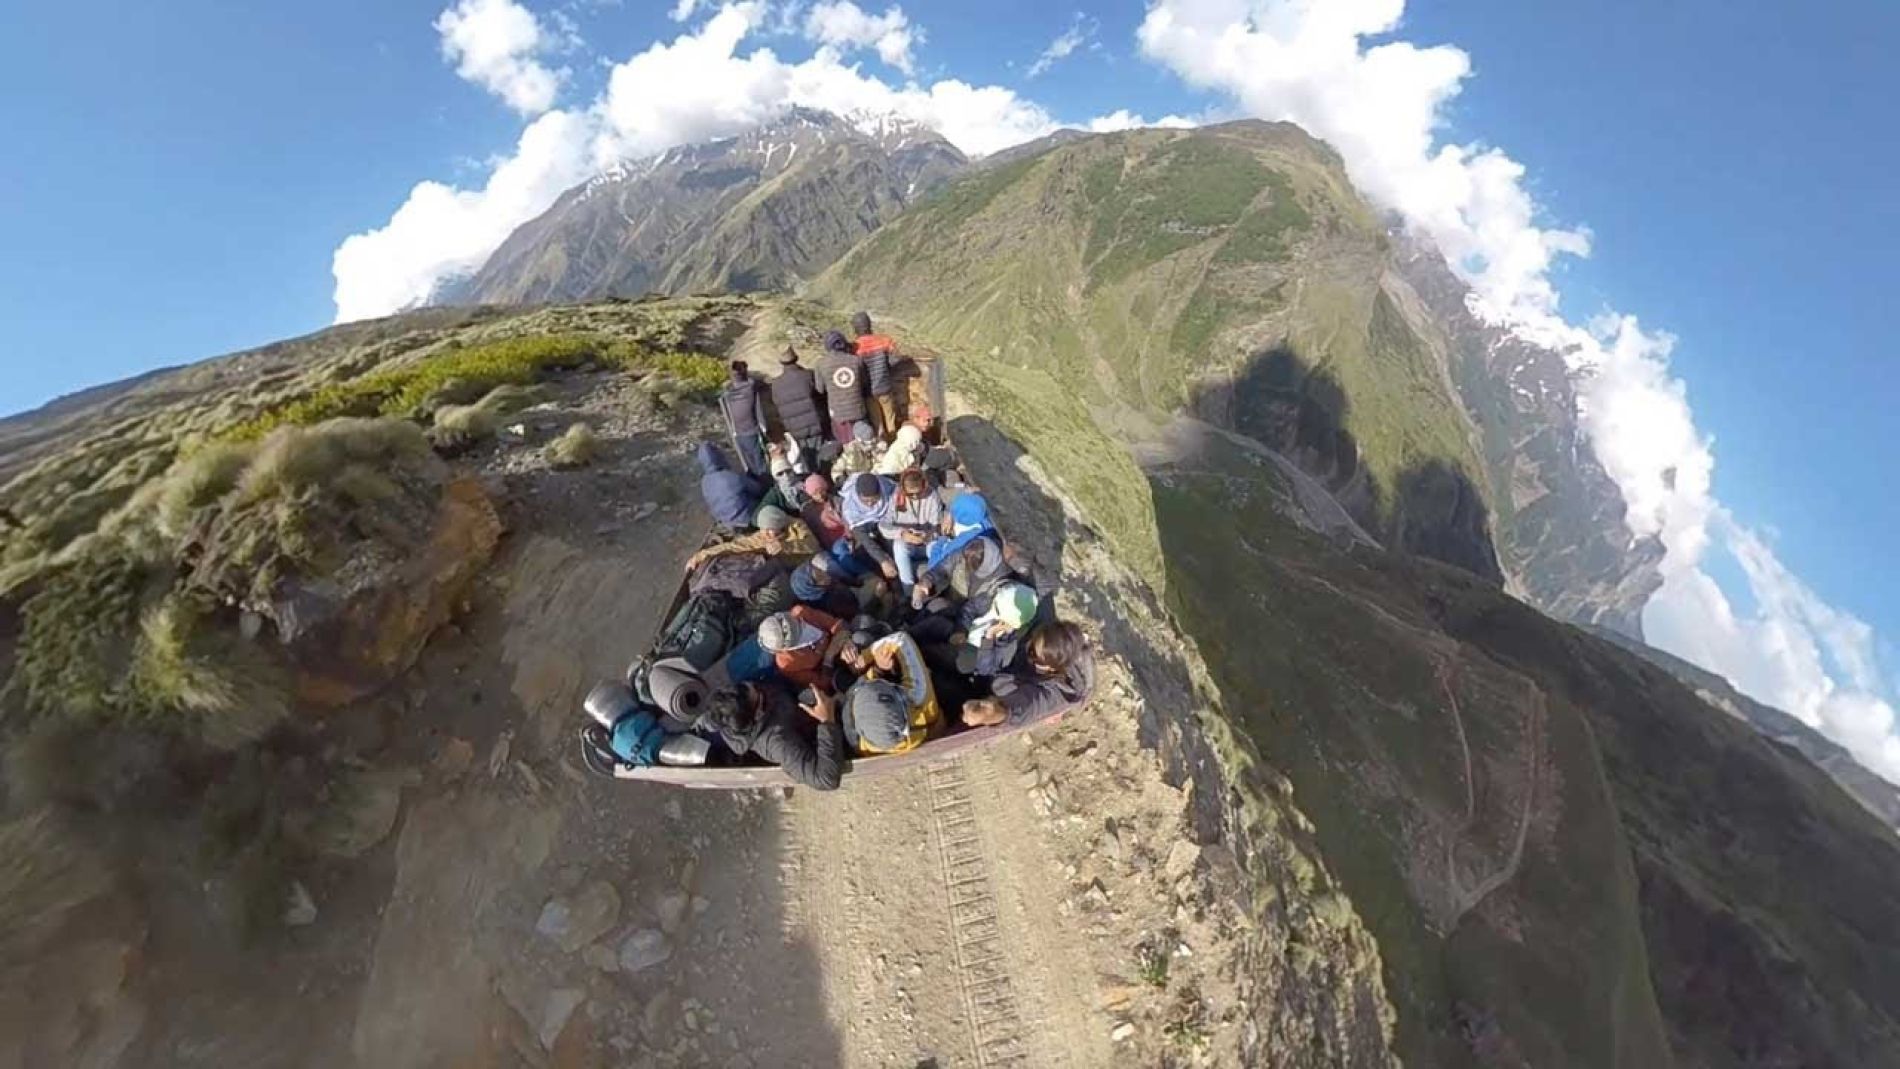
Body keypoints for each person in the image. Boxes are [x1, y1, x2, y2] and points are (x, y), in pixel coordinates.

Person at [705, 683, 843, 791]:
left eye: (749, 686)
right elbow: (826, 779)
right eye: (759, 696)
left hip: (812, 708)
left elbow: (785, 692)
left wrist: (809, 696)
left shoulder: (744, 696)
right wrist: (827, 722)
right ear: (757, 714)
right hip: (828, 735)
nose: (756, 687)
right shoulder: (778, 743)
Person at [961, 621, 1095, 728]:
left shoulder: (1056, 694)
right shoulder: (1053, 644)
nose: (1028, 647)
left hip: (993, 687)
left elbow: (1023, 708)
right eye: (1033, 642)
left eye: (1032, 653)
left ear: (1052, 668)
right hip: (996, 676)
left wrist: (989, 713)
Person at [831, 629, 940, 755]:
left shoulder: (860, 744)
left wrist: (877, 669)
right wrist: (865, 659)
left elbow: (852, 697)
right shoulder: (919, 698)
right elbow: (900, 640)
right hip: (936, 729)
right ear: (900, 698)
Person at [684, 505, 816, 572]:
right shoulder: (762, 537)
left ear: (780, 525)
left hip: (808, 566)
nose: (765, 534)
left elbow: (814, 545)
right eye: (763, 530)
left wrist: (786, 546)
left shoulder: (796, 526)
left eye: (769, 530)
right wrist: (702, 555)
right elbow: (735, 546)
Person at [954, 581, 1039, 679]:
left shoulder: (1010, 639)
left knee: (961, 664)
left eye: (998, 612)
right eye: (996, 605)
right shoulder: (992, 599)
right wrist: (961, 630)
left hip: (976, 652)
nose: (994, 610)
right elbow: (968, 609)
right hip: (963, 633)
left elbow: (986, 669)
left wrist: (989, 638)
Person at [878, 468, 944, 593]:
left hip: (927, 542)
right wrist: (902, 533)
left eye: (918, 493)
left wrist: (927, 536)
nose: (914, 497)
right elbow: (883, 525)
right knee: (898, 546)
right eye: (910, 494)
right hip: (908, 543)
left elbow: (937, 526)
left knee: (937, 546)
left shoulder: (932, 496)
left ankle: (932, 585)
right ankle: (908, 589)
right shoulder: (896, 497)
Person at [756, 606, 851, 689]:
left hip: (841, 642)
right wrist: (828, 658)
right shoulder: (786, 664)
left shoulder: (800, 612)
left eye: (797, 623)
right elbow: (822, 683)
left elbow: (836, 624)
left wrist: (844, 639)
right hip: (832, 669)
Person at [769, 346, 828, 457]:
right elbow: (821, 395)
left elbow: (776, 405)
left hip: (794, 429)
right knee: (823, 457)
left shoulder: (776, 384)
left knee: (807, 459)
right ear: (796, 359)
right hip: (814, 424)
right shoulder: (808, 375)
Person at [814, 330, 870, 444]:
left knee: (846, 445)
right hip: (858, 410)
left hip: (838, 413)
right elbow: (864, 383)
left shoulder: (821, 364)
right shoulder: (856, 360)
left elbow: (820, 389)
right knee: (863, 442)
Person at [850, 311, 899, 438]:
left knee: (878, 424)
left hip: (868, 393)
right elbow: (895, 360)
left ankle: (882, 448)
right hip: (885, 388)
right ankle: (893, 442)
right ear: (869, 325)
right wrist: (885, 366)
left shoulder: (853, 349)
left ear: (855, 328)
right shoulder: (884, 341)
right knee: (890, 420)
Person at [696, 442, 764, 532]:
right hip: (747, 520)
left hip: (727, 523)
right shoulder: (731, 477)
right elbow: (758, 490)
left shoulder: (704, 483)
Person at [720, 360, 770, 475]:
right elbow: (758, 410)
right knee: (761, 463)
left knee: (750, 465)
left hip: (737, 433)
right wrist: (764, 429)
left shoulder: (728, 393)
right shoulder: (750, 389)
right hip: (751, 430)